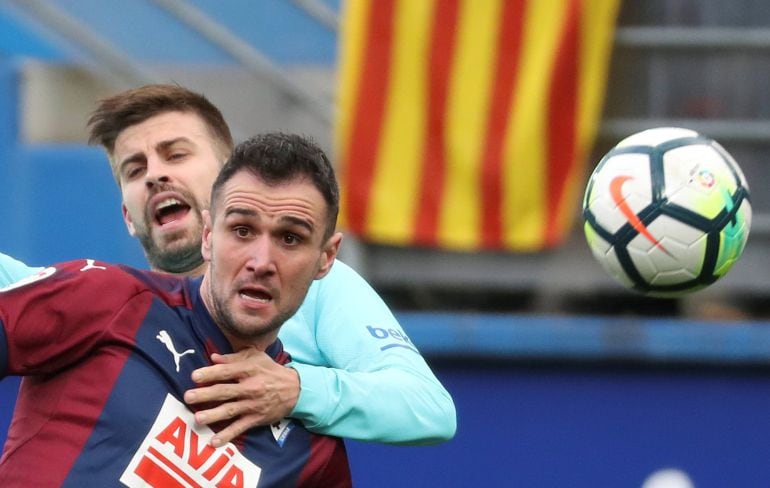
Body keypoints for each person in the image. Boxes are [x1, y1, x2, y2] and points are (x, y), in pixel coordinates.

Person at [0, 84, 456, 447]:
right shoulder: (91, 301)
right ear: (127, 217)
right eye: (134, 170)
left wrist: (294, 390)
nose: (155, 174)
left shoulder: (318, 288)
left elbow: (428, 408)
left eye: (175, 154)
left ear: (229, 176)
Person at [0, 133, 351, 486]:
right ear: (208, 235)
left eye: (290, 238)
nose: (261, 262)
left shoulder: (312, 454)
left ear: (326, 257)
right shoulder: (107, 297)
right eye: (242, 230)